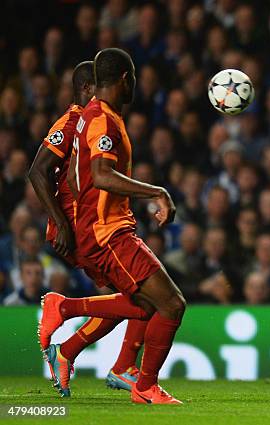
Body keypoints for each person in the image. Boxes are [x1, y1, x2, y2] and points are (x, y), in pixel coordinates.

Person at [38, 48, 185, 404]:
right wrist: (157, 192)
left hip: (103, 228)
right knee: (172, 304)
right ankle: (144, 386)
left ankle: (70, 331)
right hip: (106, 232)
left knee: (144, 305)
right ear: (124, 79)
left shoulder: (93, 117)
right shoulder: (98, 118)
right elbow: (100, 176)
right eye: (132, 79)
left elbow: (84, 175)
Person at [28, 60, 148, 396]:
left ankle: (71, 352)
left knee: (135, 294)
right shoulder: (74, 121)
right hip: (82, 229)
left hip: (91, 225)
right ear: (88, 88)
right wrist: (61, 223)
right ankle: (71, 322)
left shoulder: (95, 122)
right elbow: (38, 172)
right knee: (143, 293)